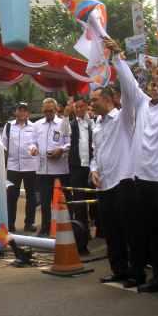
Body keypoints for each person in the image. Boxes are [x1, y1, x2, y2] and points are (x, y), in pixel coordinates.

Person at [107, 39, 158, 301]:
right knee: (152, 231)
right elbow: (128, 82)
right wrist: (117, 55)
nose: (155, 89)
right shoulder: (141, 104)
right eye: (153, 86)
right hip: (142, 178)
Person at [89, 82, 144, 288]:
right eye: (91, 100)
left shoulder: (123, 118)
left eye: (95, 100)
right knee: (112, 231)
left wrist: (118, 62)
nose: (91, 104)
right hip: (104, 184)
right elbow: (97, 153)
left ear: (109, 99)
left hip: (124, 181)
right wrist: (93, 169)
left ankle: (137, 273)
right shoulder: (98, 124)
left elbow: (130, 95)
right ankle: (119, 269)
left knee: (132, 230)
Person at [32, 98, 70, 237]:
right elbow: (32, 141)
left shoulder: (63, 124)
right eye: (45, 111)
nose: (48, 114)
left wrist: (61, 149)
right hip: (43, 169)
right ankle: (45, 227)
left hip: (59, 169)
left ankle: (62, 226)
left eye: (50, 111)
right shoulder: (37, 125)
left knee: (60, 200)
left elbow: (69, 142)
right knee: (44, 200)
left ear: (56, 110)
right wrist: (34, 148)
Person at [60, 96, 96, 241]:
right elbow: (63, 132)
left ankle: (101, 229)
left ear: (86, 106)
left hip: (92, 166)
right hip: (77, 167)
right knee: (79, 201)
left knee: (95, 200)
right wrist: (66, 115)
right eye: (77, 107)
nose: (79, 110)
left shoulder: (92, 122)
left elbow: (92, 128)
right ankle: (83, 232)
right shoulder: (72, 124)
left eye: (82, 107)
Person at [3, 101, 38, 234]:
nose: (22, 112)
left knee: (31, 197)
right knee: (12, 197)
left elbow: (36, 143)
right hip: (13, 167)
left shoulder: (34, 127)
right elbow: (4, 144)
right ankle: (11, 224)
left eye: (25, 110)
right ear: (15, 112)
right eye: (20, 110)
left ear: (28, 113)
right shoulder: (8, 127)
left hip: (30, 166)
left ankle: (29, 223)